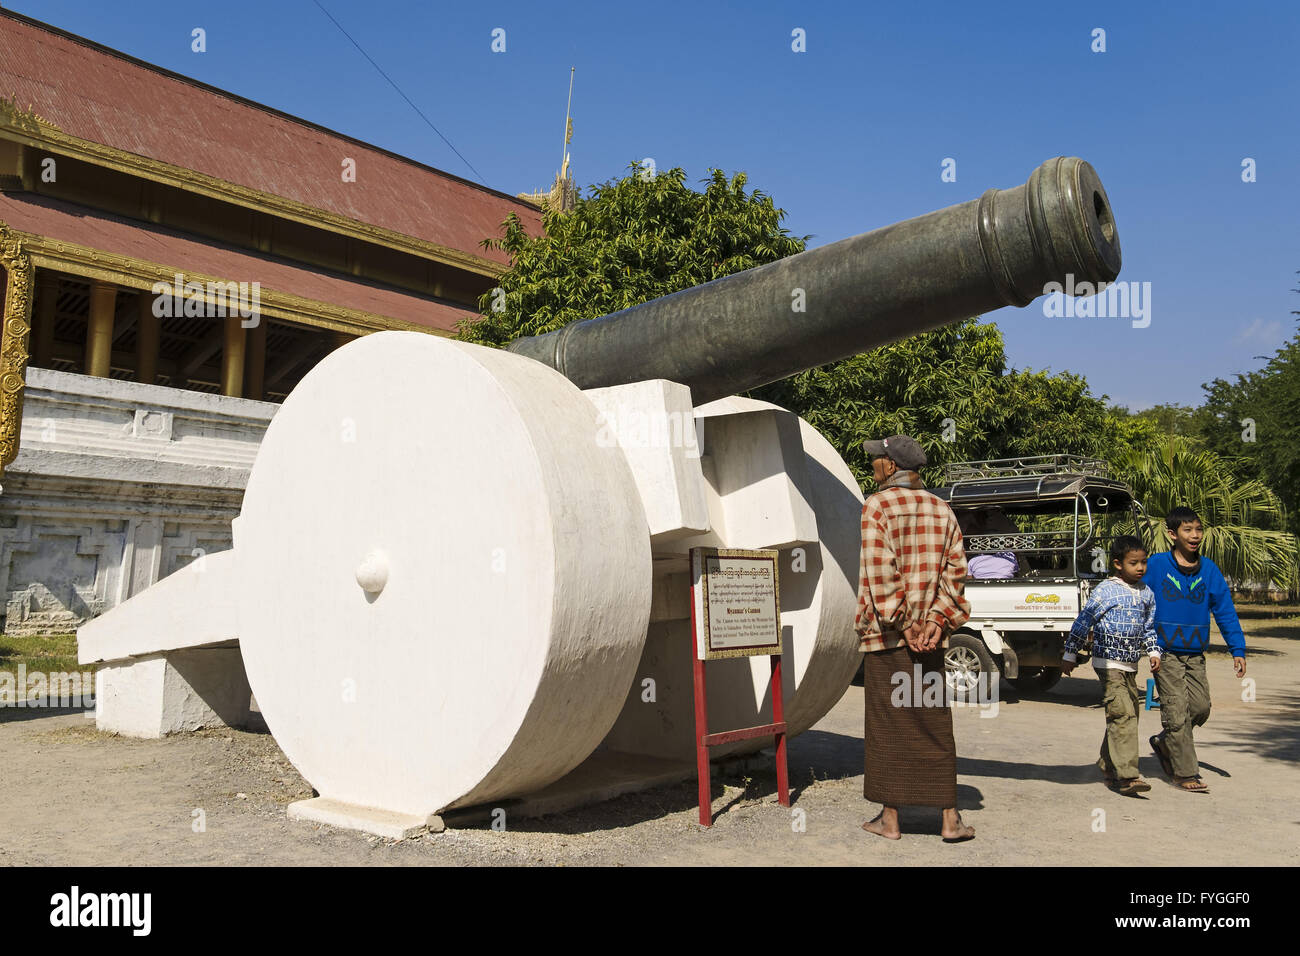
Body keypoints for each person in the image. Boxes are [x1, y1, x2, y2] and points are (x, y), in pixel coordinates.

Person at [855, 434, 974, 842]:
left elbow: (880, 572)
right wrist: (937, 622)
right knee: (933, 720)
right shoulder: (943, 509)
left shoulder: (877, 507)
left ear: (890, 466)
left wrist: (905, 625)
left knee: (889, 724)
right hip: (931, 639)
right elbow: (955, 573)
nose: (873, 466)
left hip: (888, 638)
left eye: (876, 460)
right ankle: (950, 819)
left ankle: (890, 820)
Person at [1143, 507, 1247, 793]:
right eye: (1188, 530)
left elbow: (1225, 611)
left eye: (1198, 530)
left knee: (1200, 708)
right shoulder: (1156, 566)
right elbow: (1139, 598)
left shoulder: (1210, 570)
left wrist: (1237, 648)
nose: (1195, 536)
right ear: (1172, 534)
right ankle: (1185, 772)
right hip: (1164, 653)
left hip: (1195, 654)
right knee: (1176, 712)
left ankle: (1165, 742)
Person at [1062, 536, 1161, 796]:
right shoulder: (1106, 590)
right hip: (1108, 663)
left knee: (1127, 716)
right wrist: (1070, 654)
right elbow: (1084, 621)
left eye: (1143, 562)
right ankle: (1128, 776)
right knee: (1123, 714)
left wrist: (1153, 651)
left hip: (1131, 664)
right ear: (1118, 564)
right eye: (1133, 563)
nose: (1140, 568)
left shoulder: (1146, 593)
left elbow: (1149, 627)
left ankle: (1107, 763)